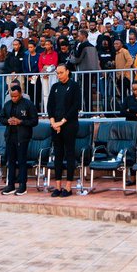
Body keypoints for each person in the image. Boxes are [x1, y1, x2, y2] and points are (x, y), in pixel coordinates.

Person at [46, 64, 82, 197]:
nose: (59, 75)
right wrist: (53, 122)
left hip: (69, 125)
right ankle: (58, 186)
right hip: (55, 125)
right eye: (57, 73)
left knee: (69, 154)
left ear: (67, 72)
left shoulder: (74, 86)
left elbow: (76, 106)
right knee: (58, 154)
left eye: (61, 72)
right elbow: (50, 105)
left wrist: (62, 121)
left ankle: (68, 186)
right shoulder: (55, 87)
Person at [0, 83, 37, 195]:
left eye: (16, 96)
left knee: (21, 161)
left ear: (20, 94)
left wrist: (21, 122)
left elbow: (34, 121)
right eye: (12, 96)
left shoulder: (28, 104)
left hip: (23, 137)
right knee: (10, 161)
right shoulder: (7, 104)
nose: (14, 98)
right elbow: (1, 118)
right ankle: (10, 185)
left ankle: (22, 186)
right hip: (10, 136)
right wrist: (8, 121)